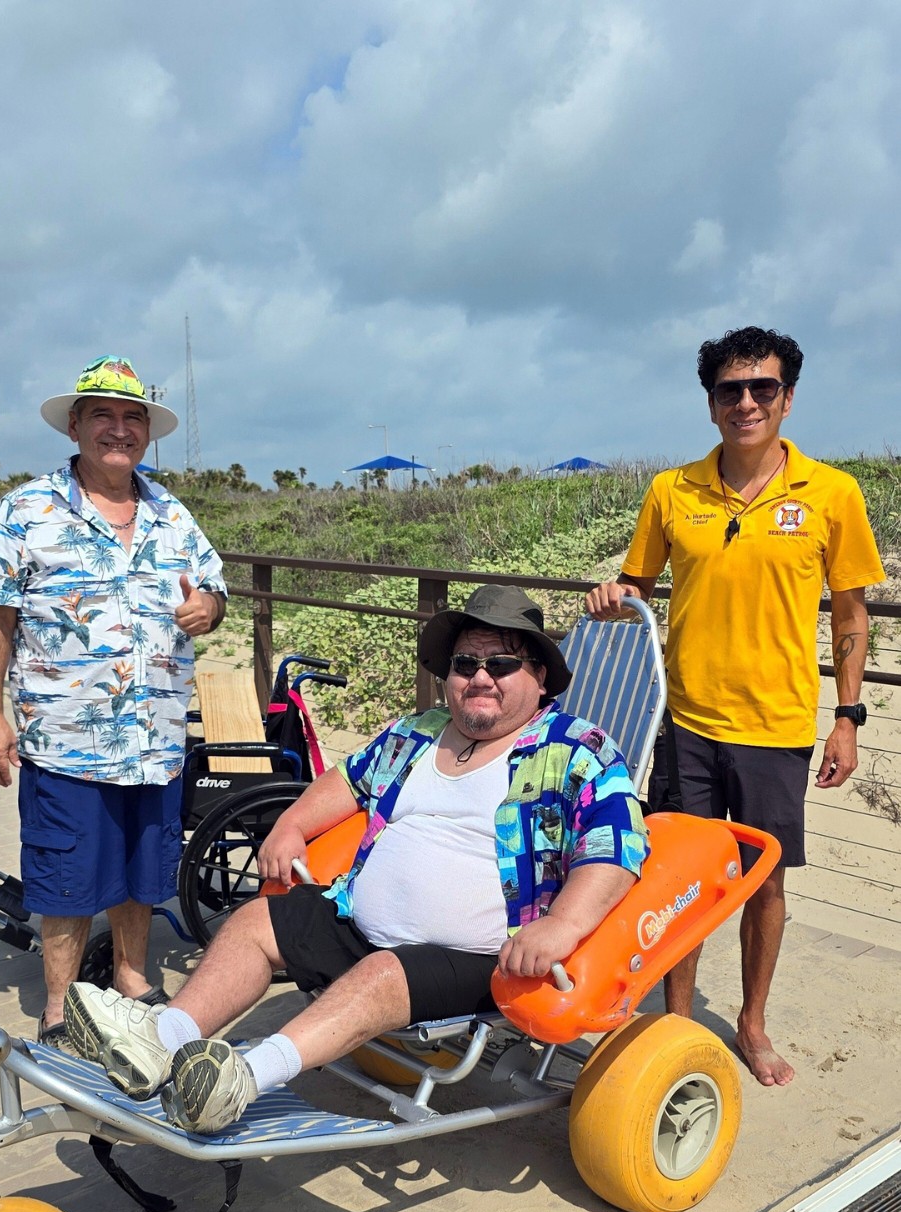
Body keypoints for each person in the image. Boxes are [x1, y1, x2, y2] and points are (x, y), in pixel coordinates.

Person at [62, 585, 649, 1133]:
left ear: (540, 677)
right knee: (255, 923)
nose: (479, 678)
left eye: (500, 664)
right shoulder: (419, 732)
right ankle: (160, 1040)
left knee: (380, 975)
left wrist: (563, 924)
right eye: (466, 663)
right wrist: (290, 825)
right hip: (358, 921)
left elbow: (616, 843)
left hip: (480, 957)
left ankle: (240, 1080)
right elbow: (347, 782)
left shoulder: (577, 748)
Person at [586, 326, 885, 1087]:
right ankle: (676, 1021)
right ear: (710, 403)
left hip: (776, 724)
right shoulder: (670, 491)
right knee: (675, 879)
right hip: (682, 722)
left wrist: (845, 719)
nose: (745, 402)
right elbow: (637, 592)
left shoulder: (831, 493)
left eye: (761, 388)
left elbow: (849, 616)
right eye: (729, 390)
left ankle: (751, 1022)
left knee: (765, 883)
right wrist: (612, 598)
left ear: (786, 398)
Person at [0, 354, 227, 1047]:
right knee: (64, 870)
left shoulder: (172, 512)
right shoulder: (26, 510)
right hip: (65, 736)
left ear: (146, 430)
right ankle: (59, 1007)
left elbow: (214, 590)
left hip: (156, 735)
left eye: (132, 417)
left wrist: (210, 606)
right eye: (104, 416)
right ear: (77, 425)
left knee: (144, 871)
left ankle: (131, 979)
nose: (119, 429)